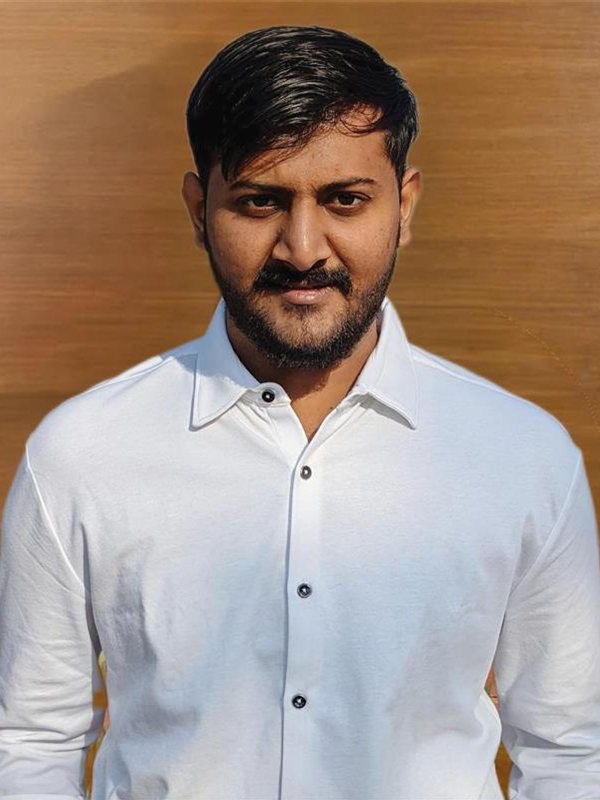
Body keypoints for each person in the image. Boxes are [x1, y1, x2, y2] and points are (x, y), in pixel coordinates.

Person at [0, 23, 599, 800]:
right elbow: (31, 741)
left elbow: (569, 749)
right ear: (198, 210)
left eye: (345, 200)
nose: (304, 248)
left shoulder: (524, 458)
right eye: (260, 202)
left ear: (404, 206)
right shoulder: (81, 455)